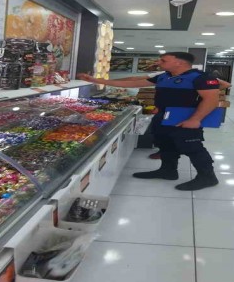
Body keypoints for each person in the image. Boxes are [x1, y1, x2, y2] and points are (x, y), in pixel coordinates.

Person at [79, 52, 220, 191]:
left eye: (163, 60)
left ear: (179, 62)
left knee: (193, 148)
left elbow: (211, 100)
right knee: (165, 145)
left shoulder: (200, 78)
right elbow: (133, 83)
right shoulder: (164, 76)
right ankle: (168, 171)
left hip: (184, 119)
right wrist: (97, 81)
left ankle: (207, 177)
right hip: (163, 117)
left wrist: (195, 119)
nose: (159, 62)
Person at [117, 73, 231, 160]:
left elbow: (226, 84)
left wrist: (204, 92)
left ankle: (206, 176)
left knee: (189, 143)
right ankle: (167, 164)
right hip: (166, 109)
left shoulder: (196, 76)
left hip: (183, 112)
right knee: (164, 135)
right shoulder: (165, 74)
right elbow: (136, 80)